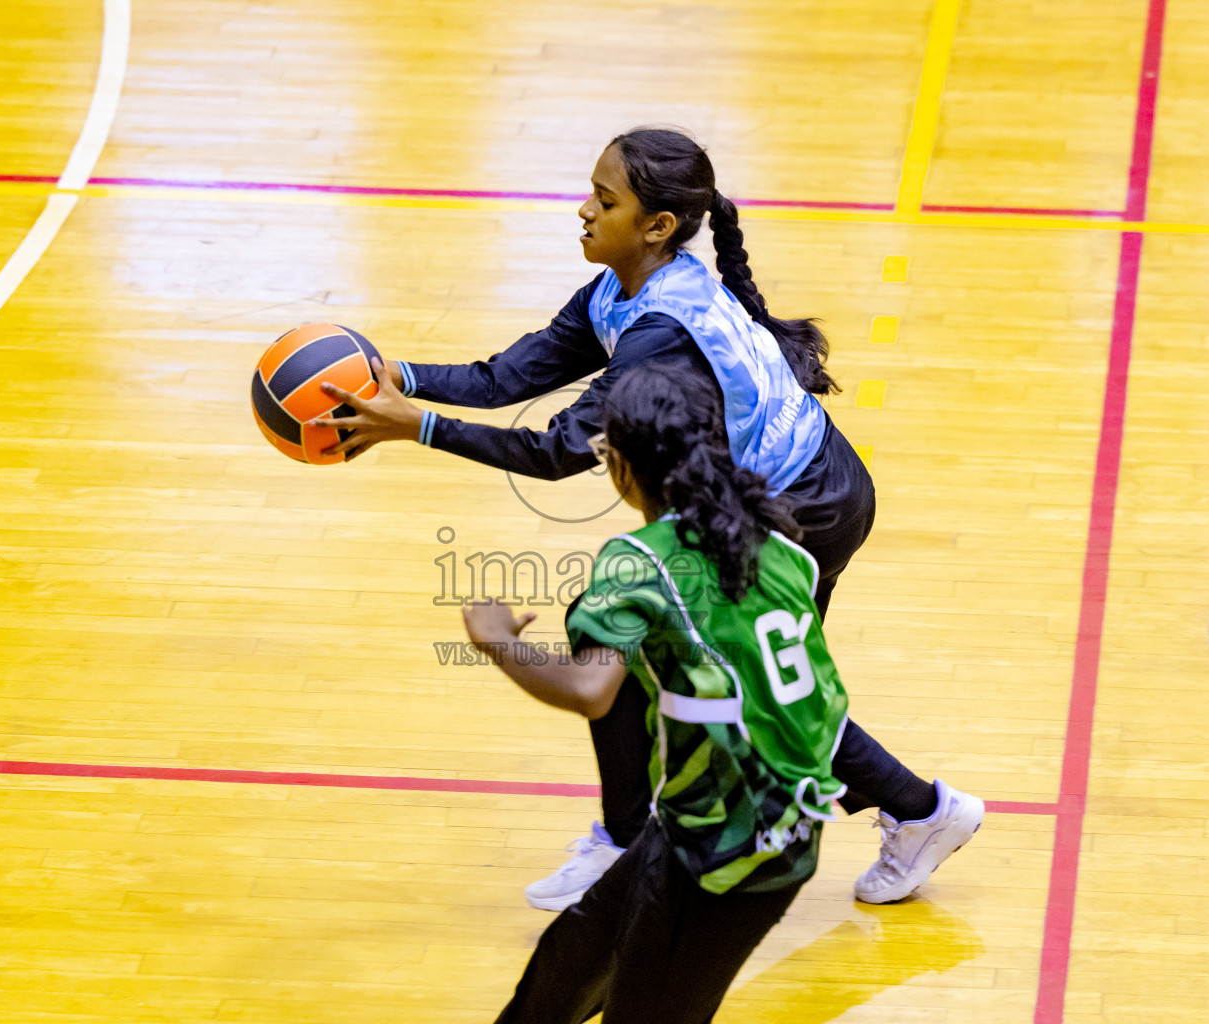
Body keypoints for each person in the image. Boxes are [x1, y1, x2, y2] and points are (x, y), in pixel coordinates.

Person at [318, 126, 981, 908]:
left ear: (658, 225)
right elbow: (509, 376)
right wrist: (400, 376)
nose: (583, 213)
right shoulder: (622, 286)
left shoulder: (663, 331)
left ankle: (633, 838)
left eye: (605, 201)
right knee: (765, 687)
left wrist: (414, 427)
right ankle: (918, 813)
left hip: (803, 501)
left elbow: (561, 451)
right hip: (807, 481)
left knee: (630, 633)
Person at [464, 364, 854, 1023]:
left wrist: (496, 638)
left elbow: (592, 689)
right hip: (728, 817)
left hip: (733, 849)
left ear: (617, 465)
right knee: (563, 975)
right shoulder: (772, 541)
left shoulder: (638, 559)